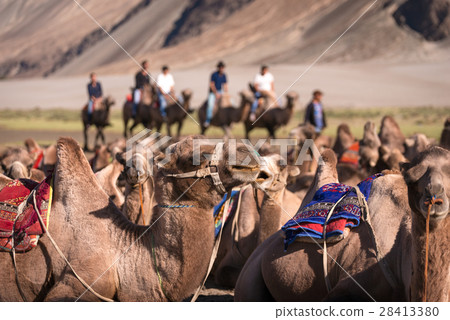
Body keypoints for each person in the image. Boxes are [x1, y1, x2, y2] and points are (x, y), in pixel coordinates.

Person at [205, 61, 228, 127]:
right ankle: (208, 120)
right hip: (213, 92)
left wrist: (226, 93)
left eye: (222, 67)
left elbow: (225, 85)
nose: (221, 69)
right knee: (210, 105)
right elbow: (212, 85)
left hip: (221, 91)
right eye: (220, 67)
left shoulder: (224, 75)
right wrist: (216, 93)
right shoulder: (214, 74)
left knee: (230, 102)